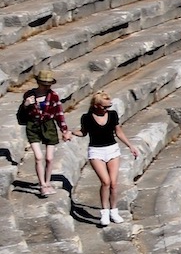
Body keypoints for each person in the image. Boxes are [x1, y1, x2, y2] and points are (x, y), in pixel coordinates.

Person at [77, 92, 138, 227]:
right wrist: (71, 132)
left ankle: (114, 211)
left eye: (108, 107)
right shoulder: (87, 117)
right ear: (96, 106)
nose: (106, 109)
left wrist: (130, 146)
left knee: (114, 184)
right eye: (104, 107)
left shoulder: (112, 115)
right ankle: (104, 212)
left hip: (112, 149)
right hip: (96, 151)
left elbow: (118, 131)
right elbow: (83, 132)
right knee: (105, 182)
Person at [16, 69, 68, 198]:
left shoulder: (53, 96)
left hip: (48, 126)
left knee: (49, 158)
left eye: (49, 84)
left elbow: (59, 114)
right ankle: (42, 184)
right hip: (33, 126)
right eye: (45, 84)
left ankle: (48, 181)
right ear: (39, 83)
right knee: (38, 157)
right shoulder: (29, 95)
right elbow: (21, 115)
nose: (47, 87)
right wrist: (26, 104)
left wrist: (64, 130)